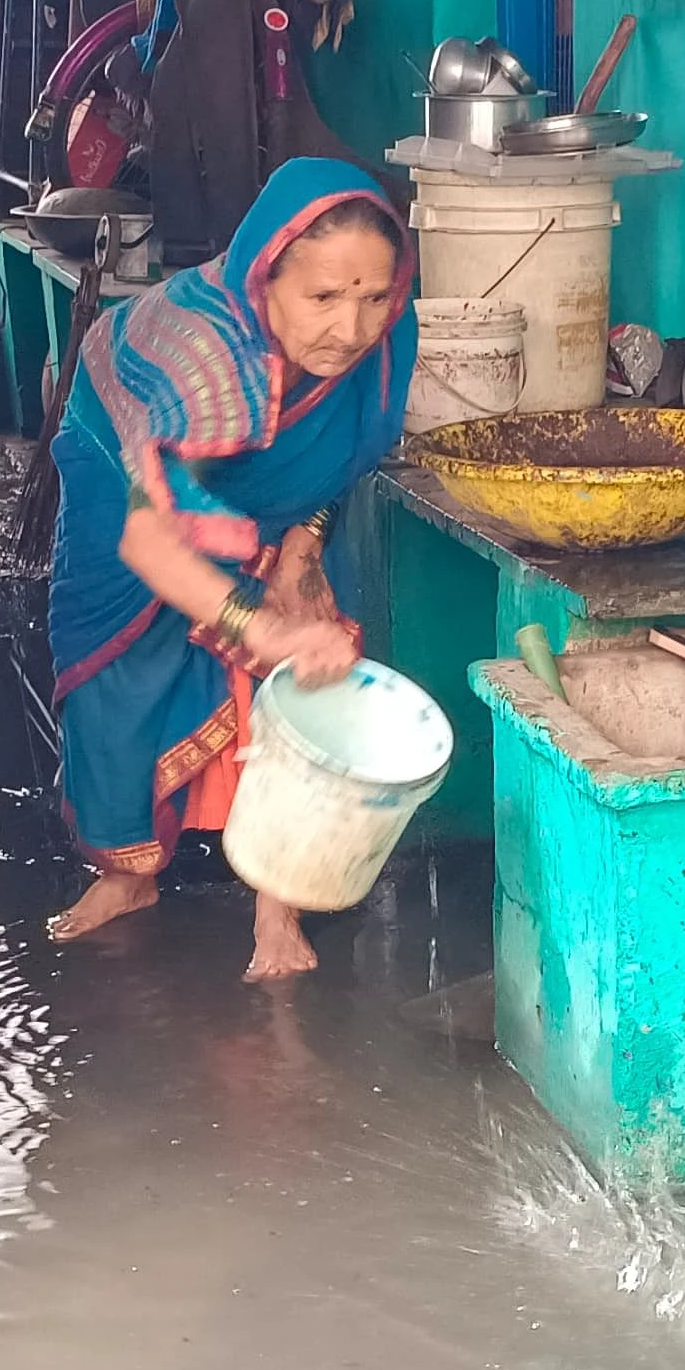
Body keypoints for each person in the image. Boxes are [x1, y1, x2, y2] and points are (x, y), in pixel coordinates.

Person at [45, 158, 418, 980]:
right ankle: (126, 876)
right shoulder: (206, 360)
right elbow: (151, 546)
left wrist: (300, 549)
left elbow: (341, 459)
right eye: (322, 298)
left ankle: (277, 908)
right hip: (128, 461)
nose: (351, 328)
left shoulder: (384, 340)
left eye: (372, 297)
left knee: (306, 667)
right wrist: (259, 627)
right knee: (121, 677)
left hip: (270, 493)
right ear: (265, 276)